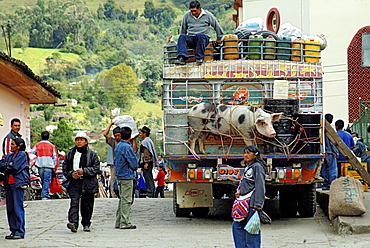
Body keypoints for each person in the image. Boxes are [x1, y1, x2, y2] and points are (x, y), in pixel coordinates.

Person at [62, 132, 100, 233]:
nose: (79, 141)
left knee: (87, 204)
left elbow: (96, 168)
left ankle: (86, 223)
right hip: (74, 182)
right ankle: (73, 223)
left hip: (88, 182)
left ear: (86, 141)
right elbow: (65, 167)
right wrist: (71, 174)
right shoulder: (70, 153)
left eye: (81, 140)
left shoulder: (92, 154)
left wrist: (84, 171)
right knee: (74, 202)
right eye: (77, 139)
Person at [232, 145, 266, 248]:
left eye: (248, 153)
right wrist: (239, 191)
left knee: (252, 229)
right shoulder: (249, 167)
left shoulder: (258, 167)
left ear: (255, 155)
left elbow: (260, 185)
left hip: (252, 203)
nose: (245, 155)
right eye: (245, 152)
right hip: (243, 202)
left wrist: (258, 204)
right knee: (237, 225)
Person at [176, 0, 224, 65]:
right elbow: (183, 30)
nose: (193, 13)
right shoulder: (186, 16)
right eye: (191, 11)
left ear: (200, 8)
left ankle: (199, 58)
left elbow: (217, 26)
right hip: (191, 38)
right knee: (182, 36)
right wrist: (182, 40)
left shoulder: (208, 15)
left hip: (203, 38)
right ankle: (182, 57)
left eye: (195, 11)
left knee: (200, 35)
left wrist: (219, 38)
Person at [0, 137, 30, 239]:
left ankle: (20, 231)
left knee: (18, 207)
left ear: (18, 146)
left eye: (13, 144)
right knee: (10, 208)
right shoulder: (9, 156)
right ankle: (13, 230)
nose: (11, 146)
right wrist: (8, 165)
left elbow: (15, 167)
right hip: (8, 184)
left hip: (17, 184)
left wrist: (7, 166)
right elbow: (1, 164)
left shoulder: (22, 155)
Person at [114, 127, 138, 229]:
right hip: (127, 176)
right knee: (126, 200)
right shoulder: (127, 147)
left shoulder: (118, 146)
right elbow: (134, 164)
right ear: (130, 136)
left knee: (122, 199)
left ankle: (119, 221)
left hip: (119, 176)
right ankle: (125, 222)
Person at [32, 131, 57, 200]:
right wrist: (54, 167)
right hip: (49, 166)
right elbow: (55, 157)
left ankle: (44, 193)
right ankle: (44, 195)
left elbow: (32, 154)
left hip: (40, 165)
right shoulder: (52, 146)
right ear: (48, 137)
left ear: (41, 136)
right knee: (46, 180)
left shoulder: (37, 145)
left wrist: (35, 162)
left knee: (43, 180)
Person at [103, 122, 122, 198]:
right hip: (115, 164)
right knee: (113, 179)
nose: (117, 137)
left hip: (123, 164)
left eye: (119, 135)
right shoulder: (113, 141)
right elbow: (105, 134)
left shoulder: (126, 141)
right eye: (115, 136)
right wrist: (111, 124)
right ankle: (113, 194)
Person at [138, 126, 158, 198]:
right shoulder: (148, 140)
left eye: (141, 133)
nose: (140, 134)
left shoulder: (145, 142)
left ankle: (150, 193)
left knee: (148, 178)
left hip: (147, 162)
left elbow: (146, 153)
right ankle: (152, 192)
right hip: (149, 162)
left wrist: (146, 163)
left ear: (145, 134)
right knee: (150, 177)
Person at [321, 114, 339, 190]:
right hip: (330, 152)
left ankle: (325, 184)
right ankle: (332, 184)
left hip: (323, 152)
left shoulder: (321, 129)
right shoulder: (330, 130)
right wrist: (336, 152)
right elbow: (332, 142)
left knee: (324, 169)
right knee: (332, 169)